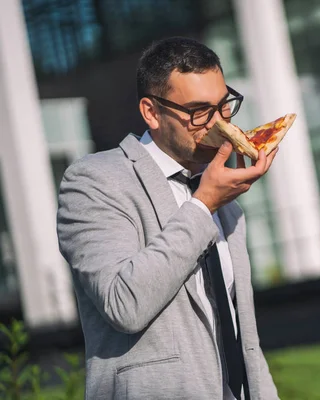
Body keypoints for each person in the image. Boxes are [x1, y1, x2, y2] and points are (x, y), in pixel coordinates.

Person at [57, 37, 279, 400]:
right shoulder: (94, 180)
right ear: (151, 112)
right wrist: (203, 204)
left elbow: (242, 336)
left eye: (224, 106)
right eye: (199, 111)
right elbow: (123, 304)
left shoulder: (225, 199)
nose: (218, 125)